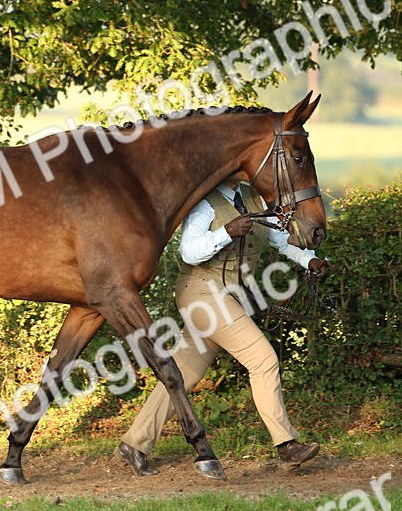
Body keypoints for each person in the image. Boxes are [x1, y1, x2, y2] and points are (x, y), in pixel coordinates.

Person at [117, 172, 329, 477]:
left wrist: (310, 260)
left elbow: (281, 241)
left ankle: (135, 444)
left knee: (184, 373)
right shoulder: (205, 202)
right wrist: (227, 232)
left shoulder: (253, 198)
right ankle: (286, 445)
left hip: (225, 296)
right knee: (263, 359)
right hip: (201, 292)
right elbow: (188, 251)